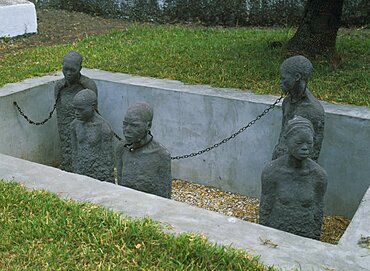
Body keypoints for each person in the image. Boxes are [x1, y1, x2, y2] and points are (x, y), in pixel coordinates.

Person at [260, 116, 327, 240]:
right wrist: (264, 237)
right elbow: (265, 208)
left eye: (309, 143)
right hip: (276, 234)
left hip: (306, 236)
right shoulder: (272, 172)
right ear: (287, 141)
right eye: (299, 143)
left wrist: (315, 240)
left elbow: (318, 211)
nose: (305, 148)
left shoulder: (319, 175)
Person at [272, 55, 325, 162]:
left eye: (283, 78)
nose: (280, 82)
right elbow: (283, 135)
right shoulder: (287, 101)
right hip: (281, 159)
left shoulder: (313, 110)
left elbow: (313, 151)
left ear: (297, 77)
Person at [116, 102, 172, 198]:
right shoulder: (121, 148)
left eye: (134, 126)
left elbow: (164, 197)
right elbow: (120, 184)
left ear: (148, 126)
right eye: (125, 124)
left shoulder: (161, 155)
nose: (127, 130)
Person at [55, 50, 98, 171]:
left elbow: (94, 114)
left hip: (83, 129)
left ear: (80, 68)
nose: (68, 73)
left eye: (72, 70)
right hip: (66, 128)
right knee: (68, 152)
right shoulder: (59, 86)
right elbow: (59, 112)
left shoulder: (88, 85)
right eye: (65, 69)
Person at [71, 89, 114, 183]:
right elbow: (74, 151)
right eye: (75, 109)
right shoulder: (74, 125)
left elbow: (107, 159)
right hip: (80, 169)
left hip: (97, 172)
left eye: (81, 110)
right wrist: (75, 171)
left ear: (93, 107)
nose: (76, 113)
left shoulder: (103, 127)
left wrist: (106, 179)